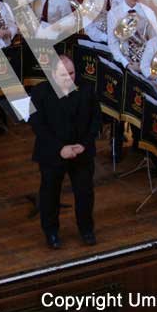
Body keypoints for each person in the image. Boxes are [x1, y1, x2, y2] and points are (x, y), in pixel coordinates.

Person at [29, 55, 102, 249]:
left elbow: (95, 119)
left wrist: (83, 144)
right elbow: (37, 124)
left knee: (85, 193)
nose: (69, 78)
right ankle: (51, 232)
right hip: (53, 153)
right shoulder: (39, 92)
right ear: (53, 75)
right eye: (64, 75)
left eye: (72, 73)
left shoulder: (87, 89)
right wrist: (59, 149)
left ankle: (86, 230)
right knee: (50, 194)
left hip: (81, 152)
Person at [106, 0, 157, 73]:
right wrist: (126, 63)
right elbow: (113, 43)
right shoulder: (113, 14)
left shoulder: (148, 12)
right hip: (123, 63)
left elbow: (155, 39)